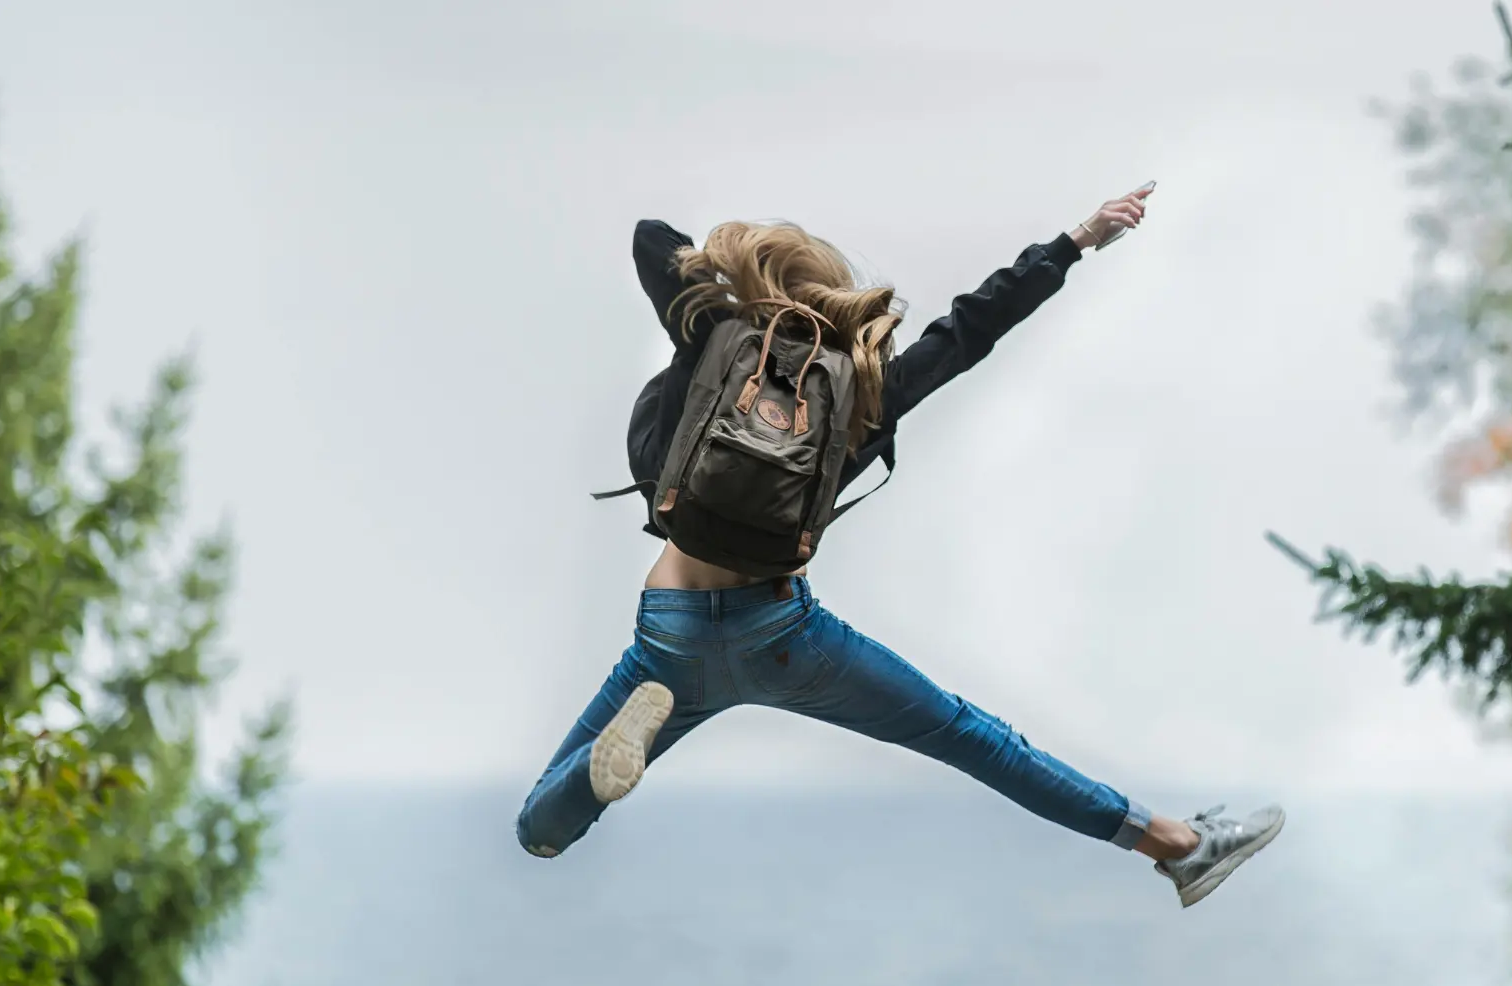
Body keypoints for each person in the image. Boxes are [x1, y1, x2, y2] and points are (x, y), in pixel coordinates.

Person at [513, 184, 1285, 908]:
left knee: (539, 829)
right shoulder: (861, 390)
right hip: (782, 635)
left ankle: (593, 779)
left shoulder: (712, 339)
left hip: (671, 635)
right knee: (975, 740)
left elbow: (652, 238)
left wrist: (733, 284)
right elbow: (970, 330)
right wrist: (1075, 241)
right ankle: (1179, 847)